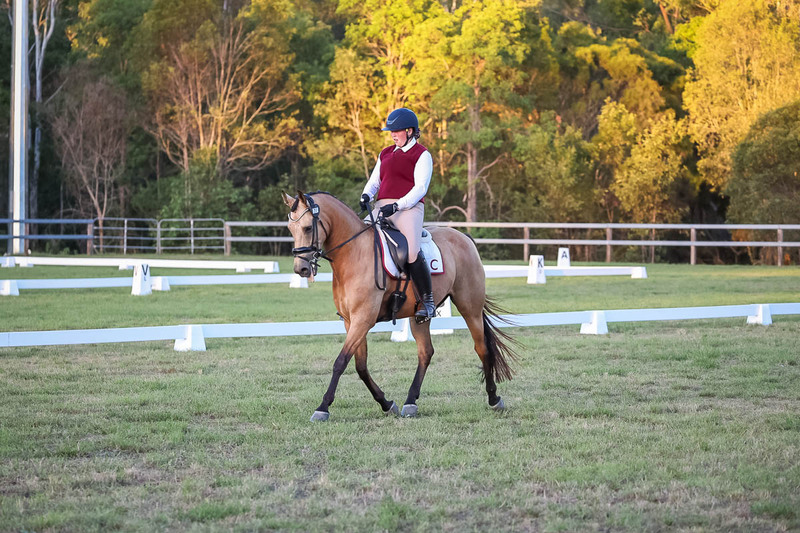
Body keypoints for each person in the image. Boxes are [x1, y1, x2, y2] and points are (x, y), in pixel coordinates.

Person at [360, 107, 436, 323]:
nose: (393, 135)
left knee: (411, 251)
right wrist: (366, 195)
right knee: (359, 240)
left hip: (409, 208)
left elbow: (420, 188)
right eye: (391, 131)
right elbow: (375, 181)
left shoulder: (422, 155)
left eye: (397, 131)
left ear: (410, 131)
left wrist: (397, 205)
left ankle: (427, 301)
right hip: (382, 207)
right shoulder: (385, 153)